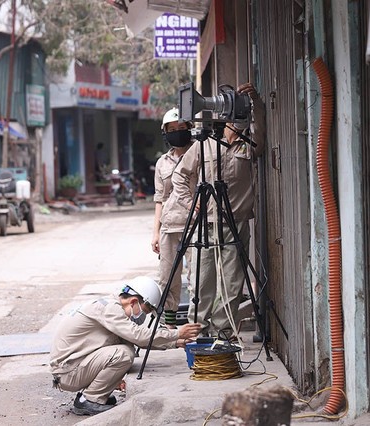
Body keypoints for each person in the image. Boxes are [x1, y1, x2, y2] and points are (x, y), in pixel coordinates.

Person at [170, 82, 266, 339]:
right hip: (206, 223)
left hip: (236, 222)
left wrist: (256, 104)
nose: (238, 122)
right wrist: (191, 203)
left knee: (232, 283)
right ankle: (195, 332)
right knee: (203, 281)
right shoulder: (206, 145)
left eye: (241, 118)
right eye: (234, 118)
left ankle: (223, 332)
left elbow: (261, 138)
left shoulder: (248, 145)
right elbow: (179, 175)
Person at [49, 276, 201, 416]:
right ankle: (90, 400)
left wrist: (175, 342)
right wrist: (177, 333)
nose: (143, 316)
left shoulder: (110, 305)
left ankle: (90, 395)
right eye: (146, 311)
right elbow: (139, 337)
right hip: (68, 373)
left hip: (70, 368)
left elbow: (134, 339)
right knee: (124, 354)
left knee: (125, 347)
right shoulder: (109, 309)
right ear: (134, 301)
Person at [151, 108, 195, 328]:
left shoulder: (199, 154)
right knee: (167, 277)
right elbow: (160, 198)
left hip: (195, 224)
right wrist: (155, 232)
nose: (177, 132)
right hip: (169, 226)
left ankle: (197, 323)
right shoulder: (162, 163)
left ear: (189, 129)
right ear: (165, 133)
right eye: (172, 130)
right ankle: (169, 325)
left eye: (181, 128)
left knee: (198, 276)